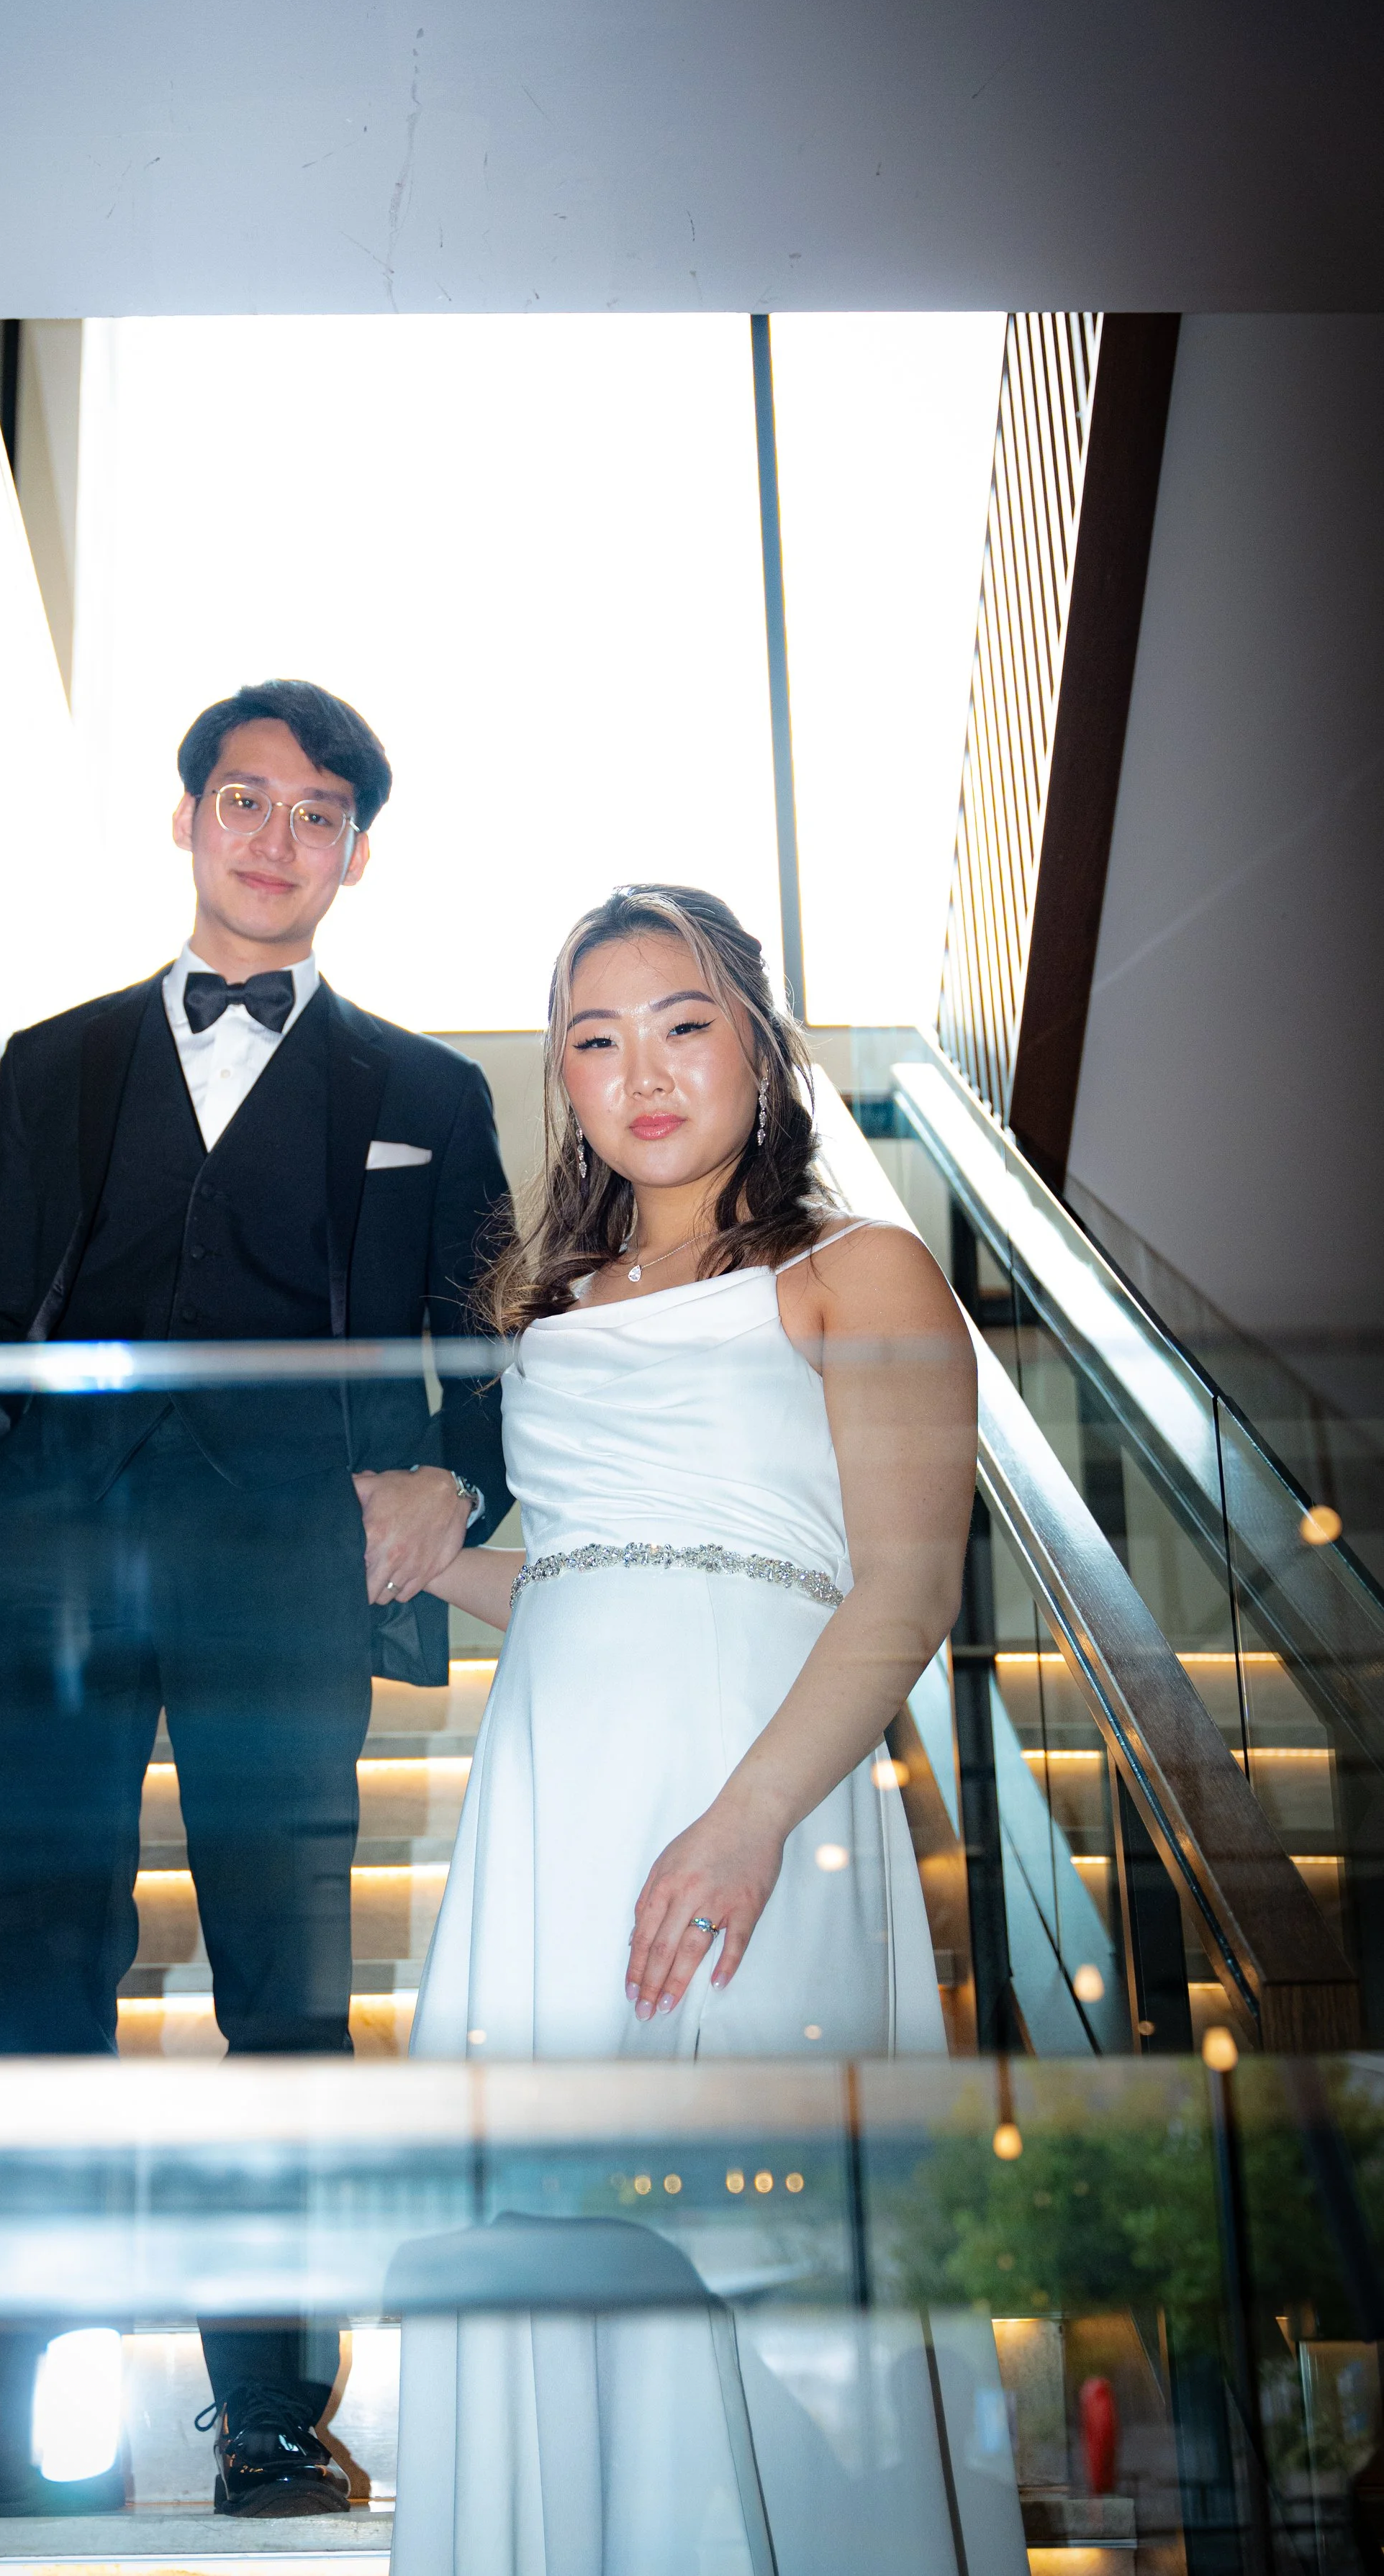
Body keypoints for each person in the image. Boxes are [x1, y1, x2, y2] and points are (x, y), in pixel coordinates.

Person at [0, 680, 511, 2523]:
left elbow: (477, 1340)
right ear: (185, 819)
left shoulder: (428, 1091)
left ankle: (274, 2422)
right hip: (48, 1571)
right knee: (38, 1994)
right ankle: (34, 2437)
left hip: (286, 1575)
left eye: (317, 814)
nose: (274, 836)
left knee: (287, 2002)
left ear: (355, 855)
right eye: (245, 798)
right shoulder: (48, 1061)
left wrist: (454, 1475)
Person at [391, 884, 978, 2573]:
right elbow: (592, 1576)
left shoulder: (851, 1268)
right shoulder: (547, 1310)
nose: (639, 1072)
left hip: (754, 1805)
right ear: (562, 1082)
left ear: (758, 1045)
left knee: (752, 2271)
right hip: (549, 1815)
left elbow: (901, 1592)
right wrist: (447, 1561)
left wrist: (743, 1823)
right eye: (594, 1038)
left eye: (682, 1024)